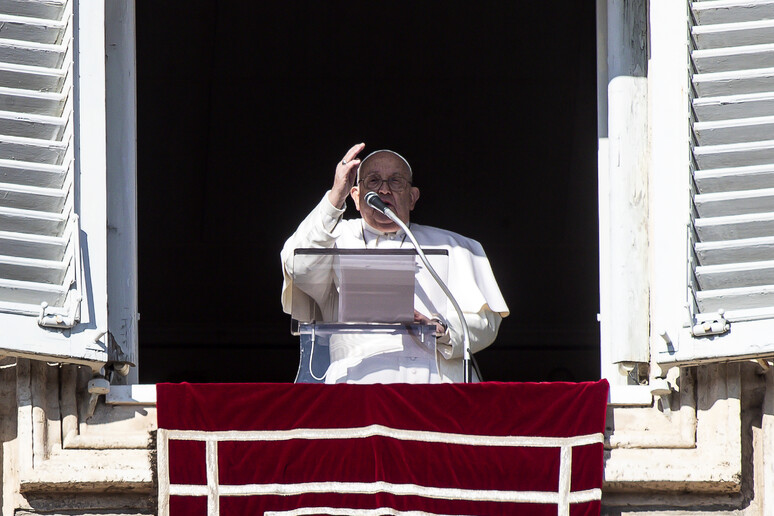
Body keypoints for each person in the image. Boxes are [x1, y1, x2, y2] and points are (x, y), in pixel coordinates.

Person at [281, 143, 509, 383]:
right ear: (356, 197)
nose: (384, 190)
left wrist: (440, 328)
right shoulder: (332, 239)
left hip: (435, 390)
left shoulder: (455, 246)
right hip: (358, 388)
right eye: (373, 182)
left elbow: (485, 323)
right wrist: (335, 196)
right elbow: (299, 268)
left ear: (412, 197)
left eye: (395, 181)